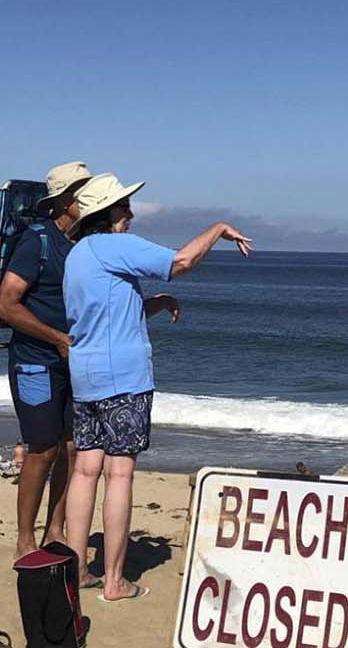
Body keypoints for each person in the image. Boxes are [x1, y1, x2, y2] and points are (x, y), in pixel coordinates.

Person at [61, 173, 251, 602]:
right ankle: (113, 580)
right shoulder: (116, 246)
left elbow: (103, 315)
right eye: (123, 207)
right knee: (120, 472)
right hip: (123, 379)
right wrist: (218, 229)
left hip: (86, 376)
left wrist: (155, 304)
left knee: (85, 471)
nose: (130, 214)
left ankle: (76, 573)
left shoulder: (78, 255)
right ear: (106, 214)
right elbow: (180, 262)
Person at [0, 160, 93, 561]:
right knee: (43, 449)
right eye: (85, 193)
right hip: (35, 361)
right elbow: (6, 305)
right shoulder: (38, 240)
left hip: (72, 359)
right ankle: (24, 538)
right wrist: (56, 339)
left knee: (71, 449)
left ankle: (56, 529)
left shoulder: (82, 242)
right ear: (66, 200)